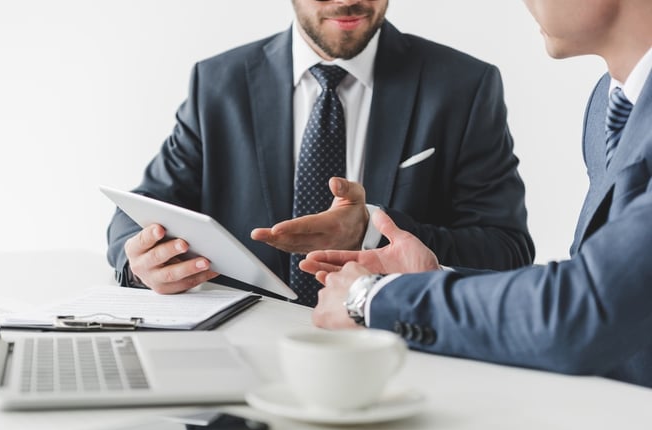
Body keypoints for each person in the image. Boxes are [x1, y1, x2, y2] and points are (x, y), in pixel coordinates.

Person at [303, 0, 652, 388]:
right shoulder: (612, 99)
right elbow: (610, 284)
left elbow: (584, 310)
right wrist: (430, 279)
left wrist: (373, 299)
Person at [107, 0, 534, 307]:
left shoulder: (464, 86)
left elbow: (506, 250)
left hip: (396, 348)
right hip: (245, 351)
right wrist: (142, 261)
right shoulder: (218, 82)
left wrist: (371, 231)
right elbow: (135, 218)